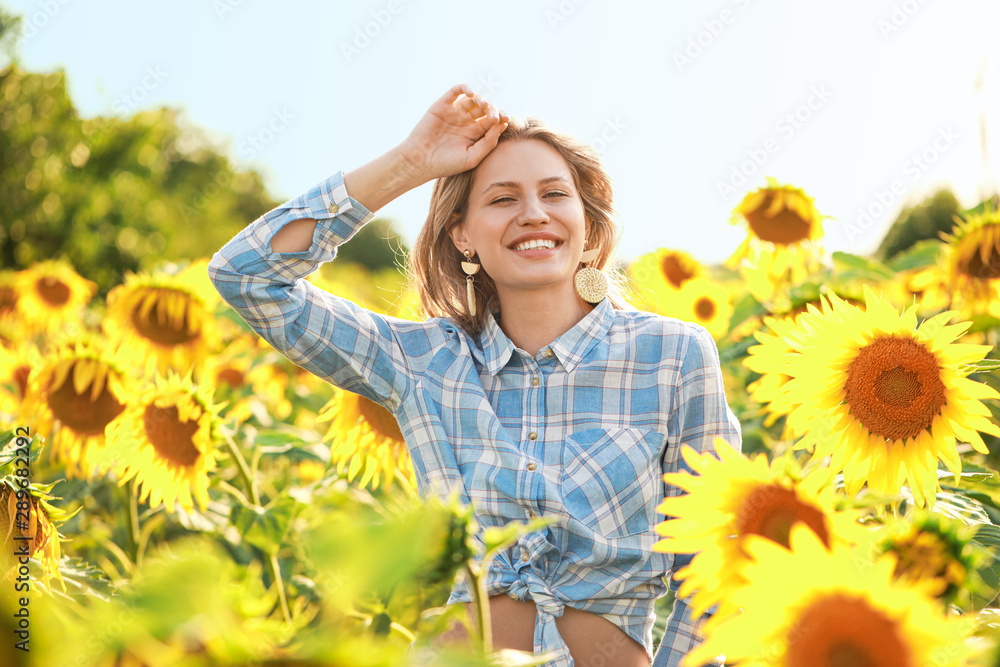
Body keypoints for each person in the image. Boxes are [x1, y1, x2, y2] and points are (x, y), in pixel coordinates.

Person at [207, 83, 741, 667]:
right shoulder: (423, 362)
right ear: (462, 235)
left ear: (586, 224)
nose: (533, 213)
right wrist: (409, 164)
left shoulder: (674, 356)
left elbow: (714, 557)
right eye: (502, 199)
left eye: (554, 194)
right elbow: (248, 276)